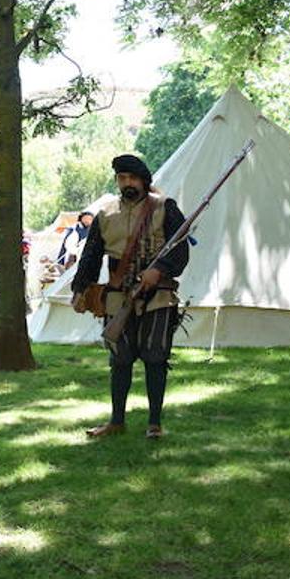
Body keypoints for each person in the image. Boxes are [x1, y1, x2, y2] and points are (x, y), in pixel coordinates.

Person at [71, 154, 190, 441]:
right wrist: (80, 289)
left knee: (155, 357)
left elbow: (180, 250)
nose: (127, 183)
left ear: (144, 181)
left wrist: (159, 270)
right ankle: (116, 421)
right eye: (122, 178)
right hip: (118, 296)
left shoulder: (165, 208)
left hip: (157, 295)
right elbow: (91, 255)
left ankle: (154, 423)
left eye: (133, 178)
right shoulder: (105, 214)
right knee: (120, 359)